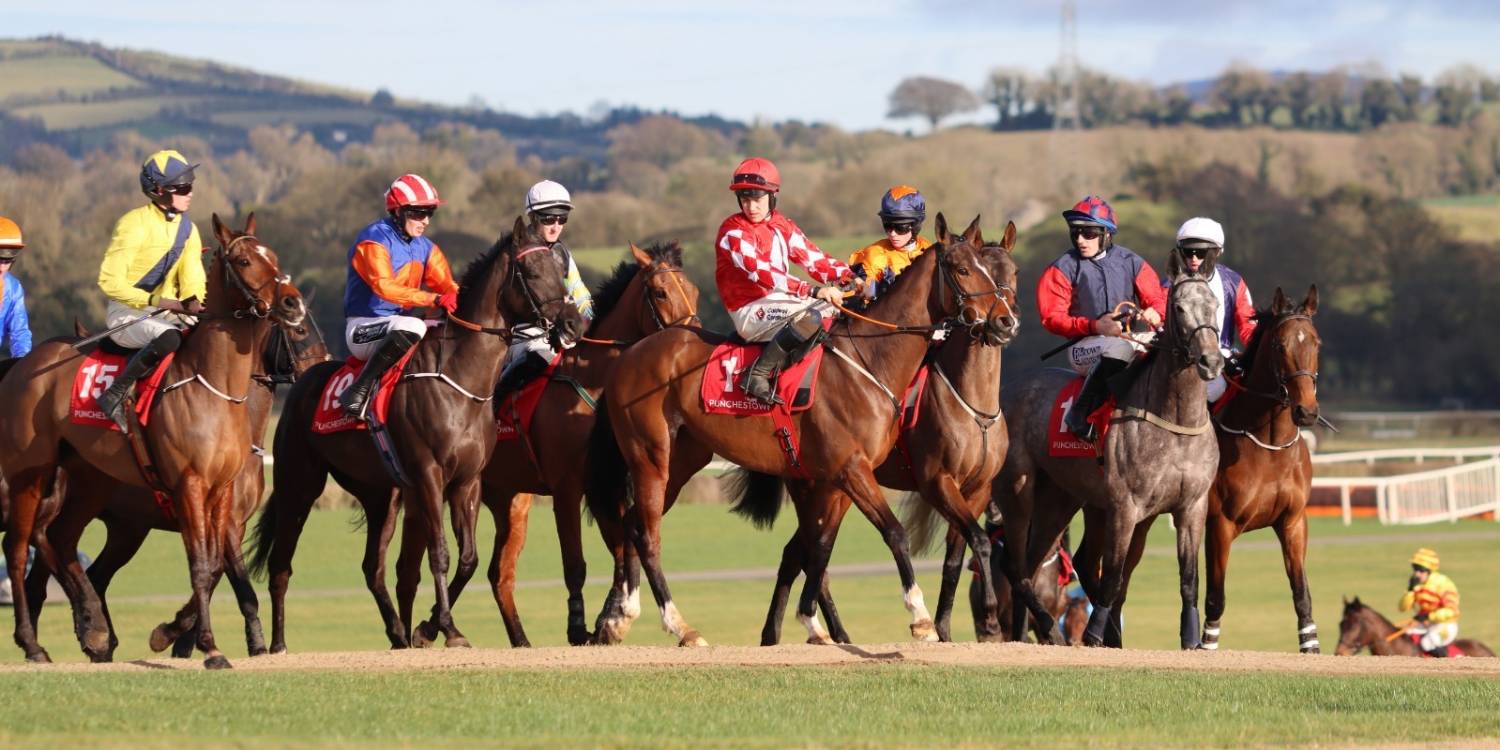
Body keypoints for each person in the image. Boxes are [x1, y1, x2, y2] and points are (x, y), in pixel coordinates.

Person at [714, 157, 855, 404]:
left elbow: (814, 259)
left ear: (772, 197)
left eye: (757, 199)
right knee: (809, 317)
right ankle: (756, 374)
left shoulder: (781, 225)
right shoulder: (733, 231)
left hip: (781, 300)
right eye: (745, 200)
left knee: (843, 308)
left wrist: (851, 276)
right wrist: (812, 290)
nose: (751, 207)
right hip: (750, 309)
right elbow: (762, 272)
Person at [1035, 196, 1166, 441]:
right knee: (1118, 348)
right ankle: (1079, 415)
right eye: (1075, 233)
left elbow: (1157, 298)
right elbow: (1051, 317)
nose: (1081, 240)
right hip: (1083, 347)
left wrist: (1155, 312)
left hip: (1128, 339)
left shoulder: (1132, 262)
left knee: (1166, 345)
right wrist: (1095, 325)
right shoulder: (1062, 267)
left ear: (1107, 234)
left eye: (1089, 233)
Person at [95, 149, 208, 432]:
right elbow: (109, 282)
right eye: (182, 187)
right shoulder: (133, 223)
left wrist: (196, 302)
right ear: (159, 190)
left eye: (190, 185)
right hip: (127, 314)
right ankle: (114, 395)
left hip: (167, 312)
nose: (189, 192)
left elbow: (193, 277)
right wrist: (161, 300)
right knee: (170, 337)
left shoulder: (189, 229)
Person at [339, 173, 460, 420]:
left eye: (429, 213)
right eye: (418, 212)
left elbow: (447, 284)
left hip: (398, 328)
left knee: (441, 330)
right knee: (414, 324)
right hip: (363, 327)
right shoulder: (374, 239)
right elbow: (384, 287)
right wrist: (433, 300)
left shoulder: (425, 247)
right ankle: (358, 391)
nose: (425, 220)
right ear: (398, 210)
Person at [492, 180, 594, 403]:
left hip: (557, 334)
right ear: (533, 217)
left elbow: (581, 295)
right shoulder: (515, 252)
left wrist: (591, 325)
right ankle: (495, 405)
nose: (556, 226)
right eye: (549, 219)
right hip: (520, 334)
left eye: (562, 219)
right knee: (539, 355)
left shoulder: (562, 253)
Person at [1167, 217, 1256, 402]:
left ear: (1216, 253)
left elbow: (1248, 328)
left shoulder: (1234, 282)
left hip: (1220, 354)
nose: (1193, 259)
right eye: (1187, 252)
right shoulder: (1168, 284)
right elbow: (1158, 322)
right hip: (1179, 358)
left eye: (1201, 253)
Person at [847, 186, 933, 305]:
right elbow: (861, 295)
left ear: (915, 226)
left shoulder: (928, 248)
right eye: (887, 226)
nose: (892, 233)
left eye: (900, 227)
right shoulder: (875, 255)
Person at [1400, 547, 1461, 658]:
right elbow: (1402, 608)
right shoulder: (1416, 584)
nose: (1417, 574)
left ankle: (1447, 665)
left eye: (1421, 570)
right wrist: (1410, 590)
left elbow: (1452, 611)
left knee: (1426, 643)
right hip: (1426, 623)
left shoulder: (1443, 584)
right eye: (1415, 569)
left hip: (1445, 624)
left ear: (1430, 570)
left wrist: (1429, 616)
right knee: (1404, 637)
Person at [0, 216, 33, 359]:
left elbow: (19, 332)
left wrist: (22, 361)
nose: (1, 267)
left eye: (6, 261)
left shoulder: (13, 288)